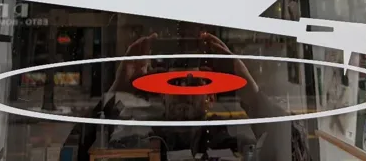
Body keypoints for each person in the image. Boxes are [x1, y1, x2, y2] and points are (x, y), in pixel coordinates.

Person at [61, 32, 294, 160]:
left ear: (211, 97)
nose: (183, 91)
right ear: (162, 95)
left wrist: (250, 92)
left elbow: (290, 150)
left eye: (194, 83)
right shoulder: (135, 143)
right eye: (174, 82)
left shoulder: (235, 144)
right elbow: (74, 154)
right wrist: (118, 88)